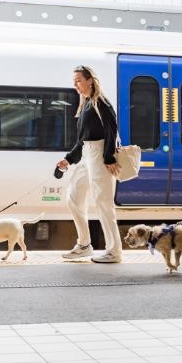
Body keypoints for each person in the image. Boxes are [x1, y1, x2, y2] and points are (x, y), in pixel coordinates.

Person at [57, 65, 122, 264]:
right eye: (74, 81)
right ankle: (84, 245)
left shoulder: (100, 103)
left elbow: (112, 129)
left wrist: (109, 157)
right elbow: (82, 140)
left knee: (104, 204)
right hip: (87, 155)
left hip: (100, 156)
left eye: (78, 80)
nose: (75, 84)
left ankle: (114, 252)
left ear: (90, 80)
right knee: (74, 196)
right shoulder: (85, 104)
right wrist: (68, 159)